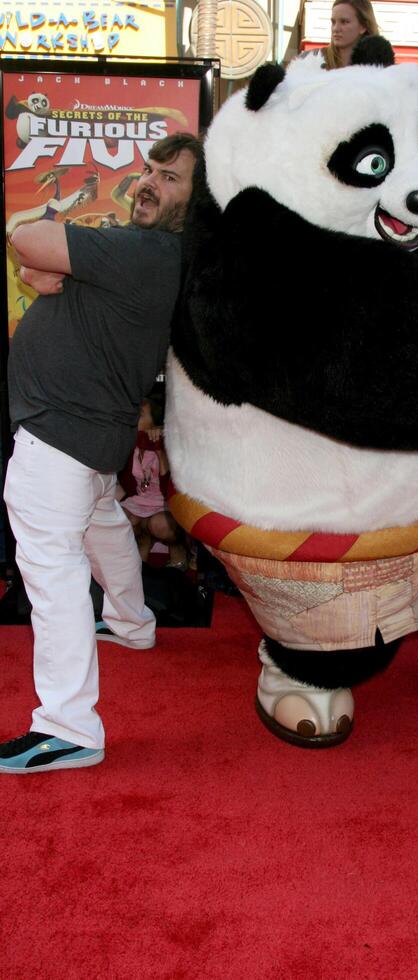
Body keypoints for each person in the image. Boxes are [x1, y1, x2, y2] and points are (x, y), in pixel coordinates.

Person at [0, 132, 202, 774]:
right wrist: (50, 269)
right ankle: (132, 621)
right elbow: (38, 269)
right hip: (90, 435)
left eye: (171, 178)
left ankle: (68, 726)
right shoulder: (146, 253)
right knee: (102, 523)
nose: (149, 181)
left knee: (51, 565)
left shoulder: (145, 251)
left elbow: (26, 242)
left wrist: (49, 260)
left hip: (61, 433)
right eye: (150, 169)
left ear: (195, 203)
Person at [118, 391, 188, 570]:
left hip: (165, 504)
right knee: (118, 518)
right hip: (138, 501)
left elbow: (169, 487)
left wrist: (160, 447)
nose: (132, 419)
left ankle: (178, 552)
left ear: (155, 422)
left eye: (139, 416)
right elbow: (125, 482)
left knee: (159, 524)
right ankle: (143, 551)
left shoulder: (168, 442)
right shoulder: (130, 442)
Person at [302, 0, 379, 69]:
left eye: (344, 22)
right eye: (333, 22)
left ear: (363, 26)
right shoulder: (310, 60)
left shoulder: (379, 68)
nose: (336, 28)